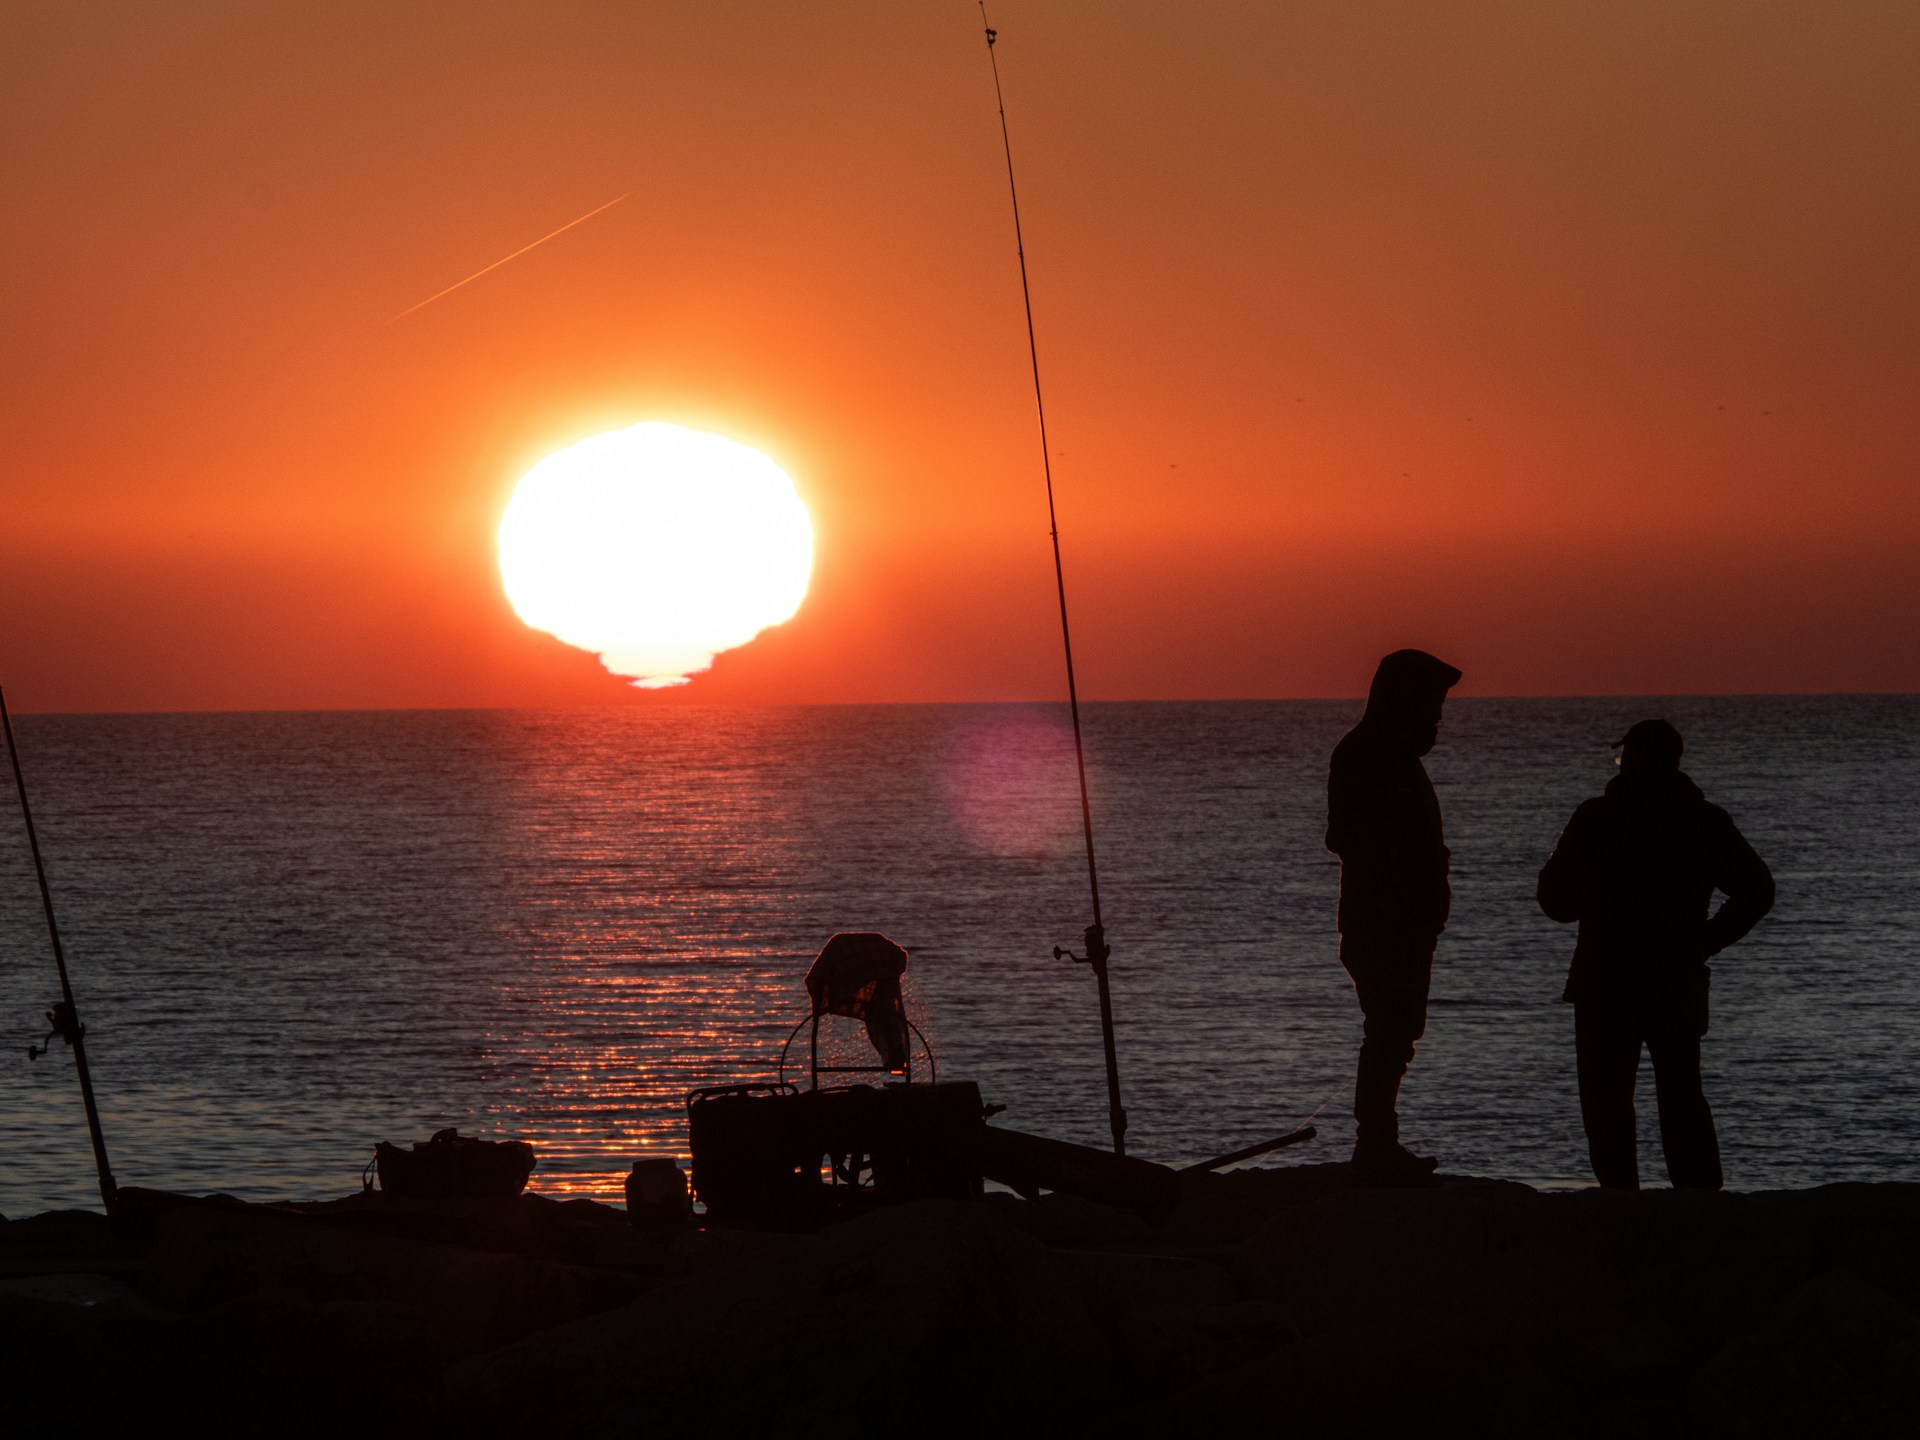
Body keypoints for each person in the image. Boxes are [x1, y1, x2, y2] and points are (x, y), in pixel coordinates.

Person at [1537, 719, 1774, 1191]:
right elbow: (1757, 890)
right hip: (1674, 977)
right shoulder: (1703, 820)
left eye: (1623, 756)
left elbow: (1554, 900)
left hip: (1606, 980)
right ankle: (1700, 1207)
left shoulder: (1598, 817)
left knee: (1607, 1101)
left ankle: (1621, 1206)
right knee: (1682, 1095)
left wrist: (1600, 898)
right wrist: (1704, 941)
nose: (1620, 764)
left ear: (1634, 759)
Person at [1327, 648, 1462, 1184]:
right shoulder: (1365, 756)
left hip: (1407, 924)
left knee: (1398, 1029)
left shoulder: (1400, 759)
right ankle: (1375, 1145)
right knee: (1388, 1029)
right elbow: (1345, 837)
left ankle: (1380, 1142)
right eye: (1430, 706)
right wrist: (1398, 885)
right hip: (1383, 924)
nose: (1437, 719)